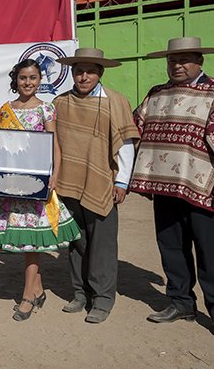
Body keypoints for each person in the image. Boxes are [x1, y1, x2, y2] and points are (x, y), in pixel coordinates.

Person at [0, 59, 82, 321]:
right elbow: (1, 145)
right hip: (11, 183)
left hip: (36, 184)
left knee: (31, 240)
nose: (28, 83)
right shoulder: (4, 110)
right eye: (23, 78)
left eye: (33, 78)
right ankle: (37, 287)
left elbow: (54, 146)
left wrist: (55, 175)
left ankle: (27, 297)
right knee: (20, 239)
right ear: (16, 80)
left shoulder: (46, 110)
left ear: (39, 80)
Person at [52, 48, 141, 323]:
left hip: (103, 182)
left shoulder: (116, 101)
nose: (84, 76)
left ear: (100, 73)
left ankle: (102, 299)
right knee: (76, 242)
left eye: (90, 71)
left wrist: (122, 181)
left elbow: (125, 144)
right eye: (79, 71)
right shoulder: (60, 102)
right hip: (68, 182)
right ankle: (80, 294)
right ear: (72, 72)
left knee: (102, 245)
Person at [130, 37, 214, 323]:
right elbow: (133, 127)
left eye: (184, 60)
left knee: (209, 251)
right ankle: (181, 302)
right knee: (171, 247)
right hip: (163, 185)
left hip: (202, 187)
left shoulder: (213, 92)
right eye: (172, 61)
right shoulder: (156, 94)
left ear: (199, 62)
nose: (177, 65)